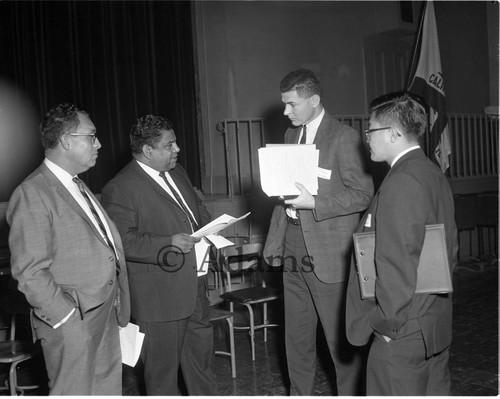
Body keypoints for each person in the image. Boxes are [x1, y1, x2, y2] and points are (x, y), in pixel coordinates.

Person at [6, 103, 130, 395]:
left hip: (104, 310)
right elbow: (29, 272)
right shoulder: (32, 192)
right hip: (73, 320)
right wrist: (66, 319)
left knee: (106, 390)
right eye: (92, 135)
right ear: (66, 141)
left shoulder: (76, 184)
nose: (98, 143)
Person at [263, 69, 374, 395]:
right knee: (296, 338)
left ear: (314, 100)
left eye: (292, 105)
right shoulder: (289, 136)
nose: (286, 112)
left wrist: (315, 202)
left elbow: (363, 194)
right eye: (284, 105)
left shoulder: (344, 137)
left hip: (330, 252)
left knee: (339, 342)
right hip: (293, 243)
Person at [345, 92, 458, 395]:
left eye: (371, 130)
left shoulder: (402, 181)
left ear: (393, 133)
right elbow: (450, 250)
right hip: (432, 324)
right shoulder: (432, 173)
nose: (366, 137)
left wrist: (387, 327)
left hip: (402, 331)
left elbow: (396, 263)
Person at [101, 115, 216, 395]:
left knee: (202, 366)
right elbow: (123, 242)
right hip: (160, 299)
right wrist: (169, 243)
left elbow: (197, 211)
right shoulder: (120, 187)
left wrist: (212, 228)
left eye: (175, 142)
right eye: (169, 145)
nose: (177, 149)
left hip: (196, 285)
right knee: (162, 377)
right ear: (148, 151)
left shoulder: (178, 172)